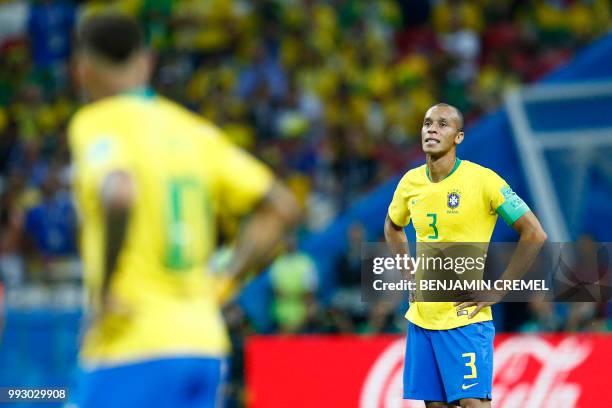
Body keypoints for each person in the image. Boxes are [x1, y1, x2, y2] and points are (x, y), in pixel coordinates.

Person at [69, 14, 299, 408]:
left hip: (130, 342)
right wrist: (224, 279)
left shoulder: (96, 123)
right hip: (203, 344)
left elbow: (119, 192)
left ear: (83, 71)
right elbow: (281, 206)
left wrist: (105, 291)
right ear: (147, 62)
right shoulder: (195, 131)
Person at [384, 103, 547, 407]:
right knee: (435, 406)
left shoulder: (484, 181)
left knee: (473, 404)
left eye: (442, 124)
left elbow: (534, 233)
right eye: (427, 122)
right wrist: (408, 272)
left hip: (464, 318)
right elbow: (393, 227)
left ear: (458, 137)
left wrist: (500, 288)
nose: (432, 128)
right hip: (422, 320)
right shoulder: (410, 183)